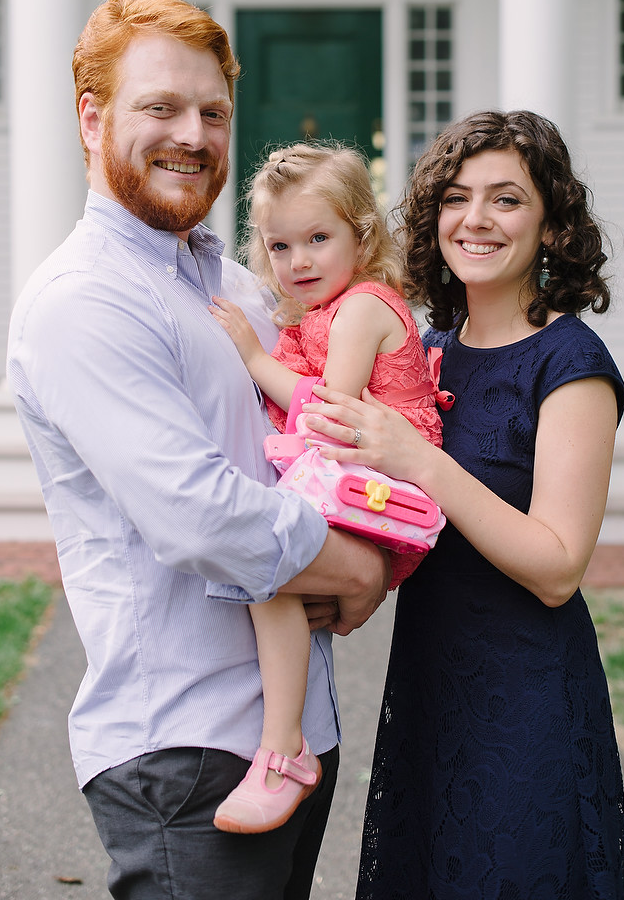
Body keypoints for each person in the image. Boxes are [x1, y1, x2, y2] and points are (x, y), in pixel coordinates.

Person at [5, 0, 390, 900]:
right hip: (184, 750)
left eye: (213, 112)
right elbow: (199, 516)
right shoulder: (83, 301)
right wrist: (361, 571)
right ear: (92, 118)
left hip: (292, 740)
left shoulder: (234, 284)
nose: (194, 133)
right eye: (161, 107)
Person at [301, 110, 624, 898]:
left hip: (527, 704)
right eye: (455, 197)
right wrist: (355, 588)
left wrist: (418, 457)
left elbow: (556, 566)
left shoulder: (571, 364)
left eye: (507, 199)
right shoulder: (431, 350)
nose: (475, 219)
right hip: (430, 688)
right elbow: (409, 521)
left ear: (552, 224)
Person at [210, 143, 445, 834]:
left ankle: (284, 749)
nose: (300, 261)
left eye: (319, 238)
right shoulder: (317, 310)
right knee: (272, 569)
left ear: (362, 236)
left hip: (387, 487)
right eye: (281, 246)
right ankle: (282, 741)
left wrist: (252, 358)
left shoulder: (363, 307)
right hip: (355, 479)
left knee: (270, 561)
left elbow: (328, 415)